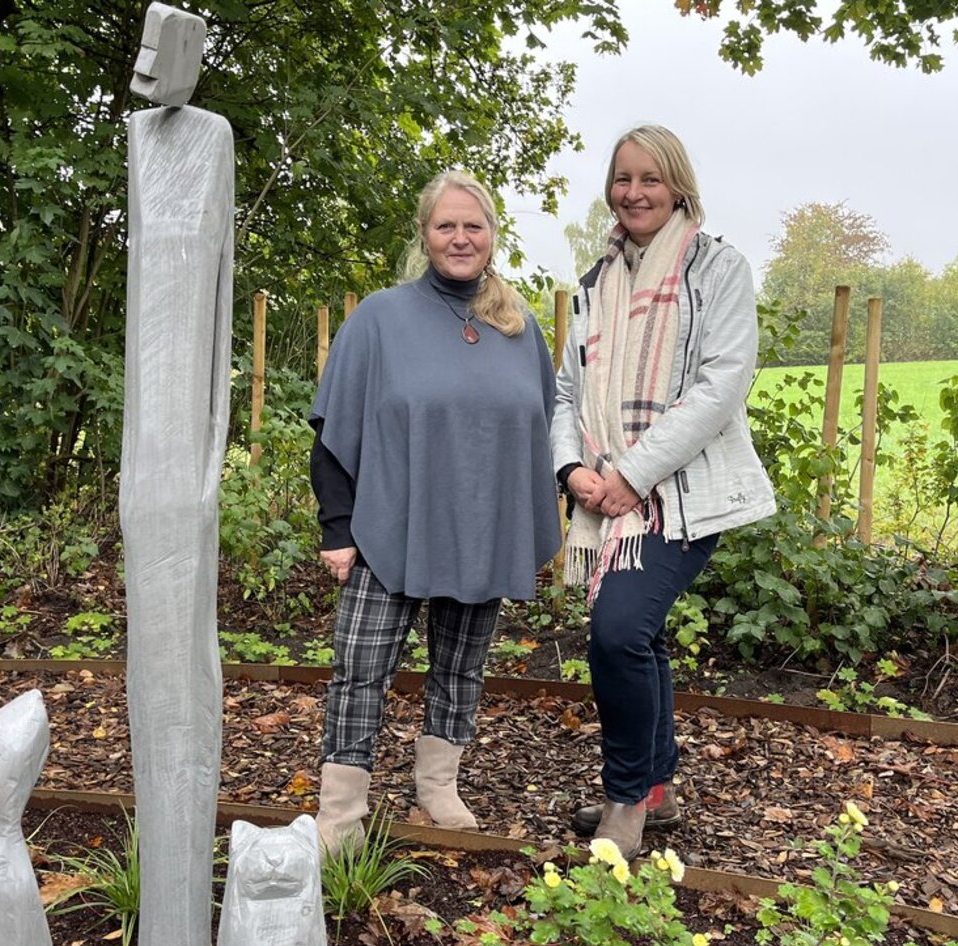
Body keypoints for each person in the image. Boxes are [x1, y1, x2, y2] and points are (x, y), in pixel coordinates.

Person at [309, 170, 561, 854]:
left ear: (492, 236)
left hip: (480, 528)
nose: (460, 237)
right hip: (387, 527)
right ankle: (341, 815)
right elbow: (333, 429)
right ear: (424, 234)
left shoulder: (518, 326)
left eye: (473, 226)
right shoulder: (379, 319)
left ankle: (438, 788)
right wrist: (338, 528)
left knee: (460, 668)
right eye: (446, 225)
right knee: (360, 667)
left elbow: (542, 427)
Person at [551, 125, 776, 859]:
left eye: (650, 178)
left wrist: (631, 474)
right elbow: (565, 391)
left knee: (617, 632)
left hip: (684, 496)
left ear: (678, 185)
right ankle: (657, 789)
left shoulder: (718, 268)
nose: (634, 192)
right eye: (623, 178)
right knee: (638, 637)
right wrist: (572, 471)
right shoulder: (596, 282)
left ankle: (626, 798)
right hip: (605, 491)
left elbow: (720, 386)